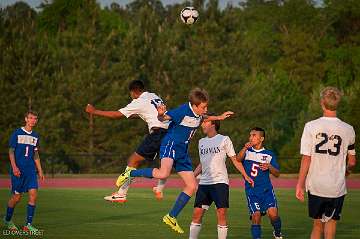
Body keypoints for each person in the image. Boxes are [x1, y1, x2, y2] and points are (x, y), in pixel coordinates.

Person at [116, 88, 234, 233]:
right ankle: (129, 174)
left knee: (192, 186)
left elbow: (204, 118)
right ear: (195, 105)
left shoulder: (199, 114)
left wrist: (220, 117)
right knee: (163, 174)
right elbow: (163, 118)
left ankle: (171, 216)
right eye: (203, 107)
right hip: (170, 144)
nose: (206, 109)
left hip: (182, 151)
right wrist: (160, 114)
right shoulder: (182, 110)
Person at [86, 79, 169, 202]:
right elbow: (146, 112)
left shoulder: (139, 101)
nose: (131, 96)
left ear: (134, 91)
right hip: (169, 132)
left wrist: (94, 111)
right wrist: (131, 115)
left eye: (131, 94)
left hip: (158, 134)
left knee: (133, 160)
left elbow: (116, 115)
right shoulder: (153, 96)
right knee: (167, 164)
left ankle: (122, 193)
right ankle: (159, 188)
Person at [296, 86, 356, 239]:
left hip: (316, 185)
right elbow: (352, 161)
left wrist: (300, 184)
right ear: (338, 103)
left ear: (322, 102)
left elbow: (306, 158)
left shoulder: (311, 126)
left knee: (317, 225)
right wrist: (347, 171)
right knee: (331, 224)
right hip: (336, 186)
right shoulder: (348, 129)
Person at [190, 117, 254, 239]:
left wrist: (245, 175)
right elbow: (202, 164)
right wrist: (192, 176)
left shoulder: (224, 139)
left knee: (221, 214)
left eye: (205, 122)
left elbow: (234, 159)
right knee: (197, 214)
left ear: (213, 124)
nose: (202, 124)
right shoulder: (201, 142)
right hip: (204, 184)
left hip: (220, 183)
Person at [237, 127, 283, 239]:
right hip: (252, 191)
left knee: (273, 216)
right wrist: (244, 148)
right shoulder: (247, 151)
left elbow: (277, 173)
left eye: (254, 135)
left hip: (266, 191)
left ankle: (277, 233)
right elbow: (238, 159)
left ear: (261, 138)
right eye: (250, 135)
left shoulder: (269, 154)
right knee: (256, 216)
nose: (251, 137)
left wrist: (269, 166)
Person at [3, 111, 45, 233]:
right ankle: (8, 220)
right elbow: (11, 151)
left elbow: (35, 154)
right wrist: (14, 167)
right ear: (26, 119)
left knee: (33, 195)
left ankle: (28, 225)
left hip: (31, 170)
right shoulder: (17, 133)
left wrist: (40, 170)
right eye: (31, 118)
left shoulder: (36, 136)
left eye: (35, 118)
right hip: (18, 170)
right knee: (16, 197)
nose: (33, 120)